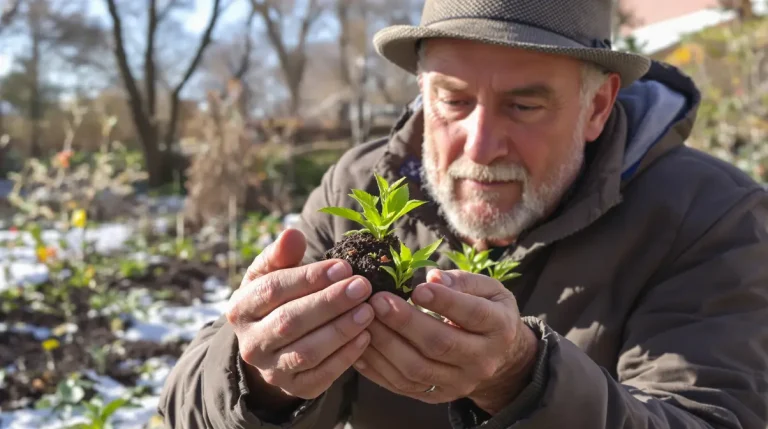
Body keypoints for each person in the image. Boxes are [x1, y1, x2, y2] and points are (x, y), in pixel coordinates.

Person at [158, 0, 768, 428]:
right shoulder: (362, 186)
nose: (479, 147)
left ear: (597, 107)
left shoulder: (713, 219)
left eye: (524, 106)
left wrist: (524, 381)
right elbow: (181, 412)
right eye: (452, 101)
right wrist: (260, 379)